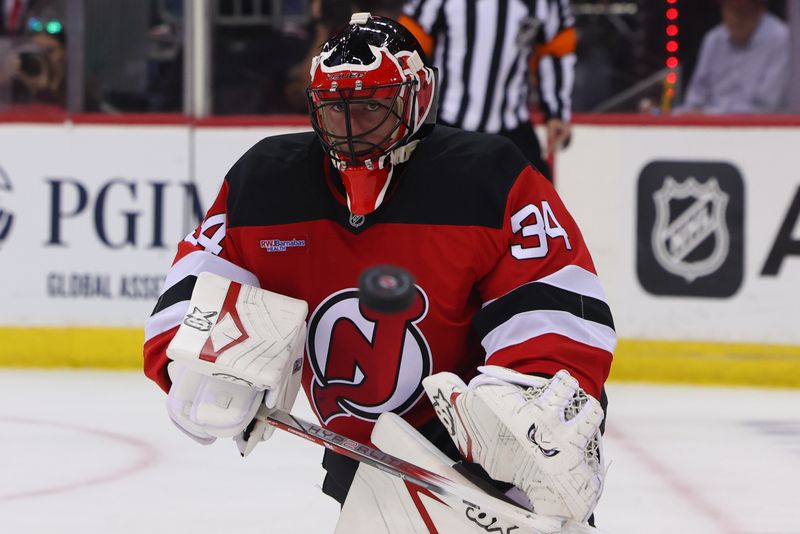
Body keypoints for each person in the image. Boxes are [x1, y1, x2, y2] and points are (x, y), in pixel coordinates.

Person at [144, 13, 614, 530]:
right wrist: (185, 360)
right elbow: (199, 280)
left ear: (417, 97)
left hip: (482, 464)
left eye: (371, 106)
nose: (351, 128)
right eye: (335, 109)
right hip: (362, 455)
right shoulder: (264, 184)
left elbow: (553, 293)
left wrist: (534, 399)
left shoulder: (489, 179)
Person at [398, 0, 577, 181]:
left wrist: (557, 111)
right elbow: (408, 47)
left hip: (512, 128)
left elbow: (555, 50)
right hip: (445, 124)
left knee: (537, 201)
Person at [676, 0, 789, 114]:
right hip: (708, 126)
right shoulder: (713, 39)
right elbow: (695, 99)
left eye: (742, 11)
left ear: (760, 9)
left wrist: (710, 114)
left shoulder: (782, 39)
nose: (736, 19)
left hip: (763, 128)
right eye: (730, 10)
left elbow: (767, 107)